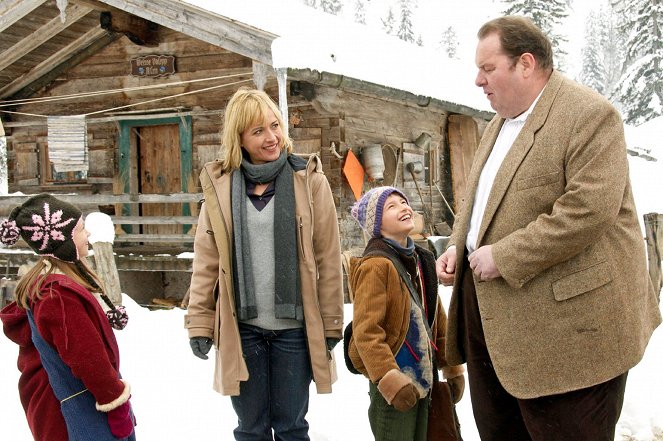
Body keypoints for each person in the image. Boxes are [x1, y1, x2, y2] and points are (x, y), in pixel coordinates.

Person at [435, 15, 662, 441]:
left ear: (525, 63)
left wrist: (504, 255)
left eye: (487, 69)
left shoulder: (590, 116)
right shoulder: (498, 124)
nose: (477, 81)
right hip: (494, 330)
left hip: (570, 336)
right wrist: (455, 244)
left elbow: (587, 209)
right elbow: (478, 199)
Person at [184, 87, 343, 441]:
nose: (272, 137)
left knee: (291, 427)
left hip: (295, 329)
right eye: (258, 131)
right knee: (250, 429)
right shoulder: (221, 188)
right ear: (238, 138)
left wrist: (331, 323)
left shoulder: (310, 181)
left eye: (275, 126)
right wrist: (199, 322)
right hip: (242, 328)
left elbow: (327, 258)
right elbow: (207, 261)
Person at [0, 193, 136, 441]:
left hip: (62, 406)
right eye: (82, 229)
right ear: (61, 240)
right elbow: (86, 357)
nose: (89, 236)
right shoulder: (58, 296)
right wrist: (115, 401)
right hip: (77, 413)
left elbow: (69, 340)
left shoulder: (52, 286)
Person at [347, 186, 465, 441]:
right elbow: (366, 332)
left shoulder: (422, 259)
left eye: (404, 201)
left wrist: (451, 366)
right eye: (391, 206)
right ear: (377, 225)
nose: (403, 207)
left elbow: (437, 318)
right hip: (394, 386)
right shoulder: (376, 266)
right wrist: (389, 379)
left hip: (427, 379)